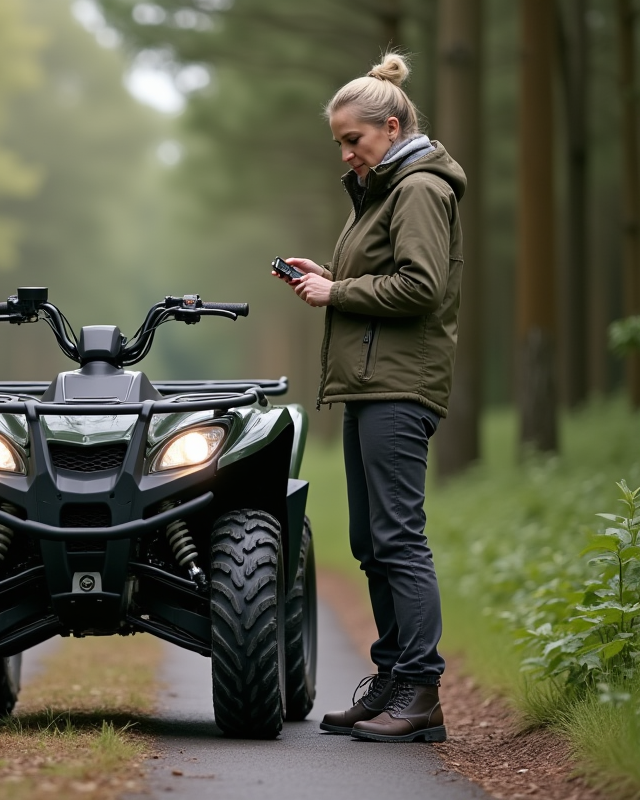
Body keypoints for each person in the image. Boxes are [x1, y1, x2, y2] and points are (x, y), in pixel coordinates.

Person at [274, 52, 466, 743]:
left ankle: (420, 693)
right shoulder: (385, 192)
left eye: (353, 140)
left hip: (400, 385)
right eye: (340, 144)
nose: (347, 154)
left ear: (390, 127)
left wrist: (338, 292)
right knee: (371, 542)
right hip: (370, 383)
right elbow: (387, 275)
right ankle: (391, 682)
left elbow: (421, 288)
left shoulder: (419, 189)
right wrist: (331, 276)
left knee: (398, 539)